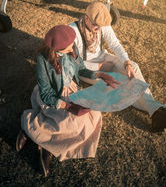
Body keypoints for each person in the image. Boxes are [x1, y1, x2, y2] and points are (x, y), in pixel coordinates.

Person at [69, 1, 166, 132]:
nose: (99, 29)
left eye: (101, 26)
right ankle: (162, 111)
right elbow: (72, 62)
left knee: (134, 67)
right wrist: (99, 66)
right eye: (95, 25)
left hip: (103, 57)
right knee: (123, 83)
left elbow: (115, 45)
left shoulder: (101, 24)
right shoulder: (72, 31)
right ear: (86, 18)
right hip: (87, 69)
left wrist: (126, 63)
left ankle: (158, 112)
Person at [16, 25, 119, 177]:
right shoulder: (43, 59)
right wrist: (68, 106)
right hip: (54, 95)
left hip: (71, 89)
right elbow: (46, 93)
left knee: (93, 115)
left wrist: (100, 75)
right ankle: (33, 131)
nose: (73, 48)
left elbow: (82, 69)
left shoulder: (72, 47)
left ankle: (45, 142)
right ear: (58, 49)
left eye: (73, 44)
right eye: (69, 47)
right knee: (68, 121)